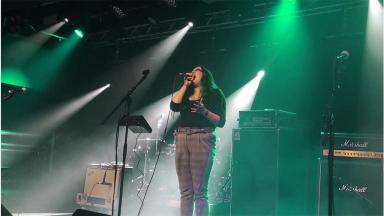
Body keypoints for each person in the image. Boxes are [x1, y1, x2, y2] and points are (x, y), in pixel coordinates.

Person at [170, 65, 226, 216]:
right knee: (185, 191)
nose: (193, 72)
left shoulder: (215, 94)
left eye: (197, 70)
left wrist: (204, 111)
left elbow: (220, 121)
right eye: (192, 70)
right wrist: (184, 85)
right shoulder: (187, 92)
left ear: (205, 75)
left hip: (202, 136)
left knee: (199, 191)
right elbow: (173, 105)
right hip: (182, 137)